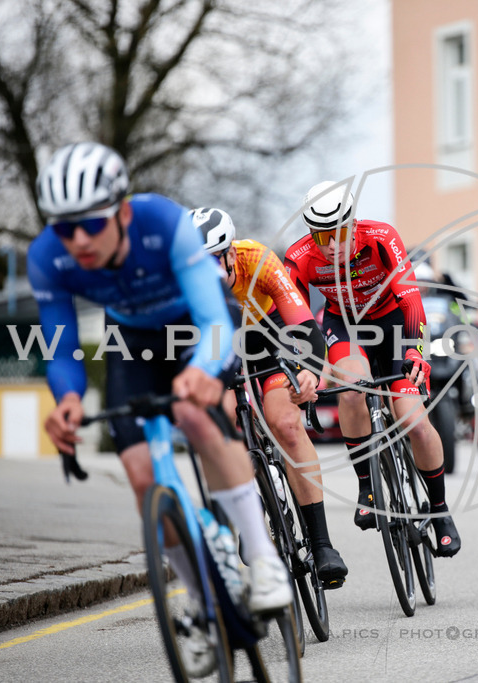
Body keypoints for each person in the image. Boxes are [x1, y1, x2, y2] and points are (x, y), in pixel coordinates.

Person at [28, 142, 291, 677]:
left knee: (197, 415)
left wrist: (204, 367)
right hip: (133, 337)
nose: (77, 239)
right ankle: (198, 602)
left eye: (90, 223)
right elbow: (59, 346)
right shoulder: (48, 258)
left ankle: (263, 560)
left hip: (195, 323)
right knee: (140, 471)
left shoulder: (162, 223)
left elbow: (215, 316)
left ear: (122, 212)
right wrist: (69, 401)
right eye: (63, 227)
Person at [283, 181, 461, 557]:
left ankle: (440, 510)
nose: (331, 245)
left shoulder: (381, 237)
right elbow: (293, 321)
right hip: (345, 326)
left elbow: (411, 300)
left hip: (394, 323)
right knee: (350, 389)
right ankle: (367, 485)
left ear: (353, 222)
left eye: (340, 233)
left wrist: (414, 352)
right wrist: (304, 367)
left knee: (413, 420)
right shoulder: (299, 257)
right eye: (321, 236)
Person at [190, 206, 348, 587]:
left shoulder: (256, 259)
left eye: (215, 262)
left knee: (286, 424)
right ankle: (250, 500)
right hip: (219, 339)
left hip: (270, 335)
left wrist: (310, 368)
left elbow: (304, 324)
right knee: (221, 419)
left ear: (230, 254)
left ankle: (322, 544)